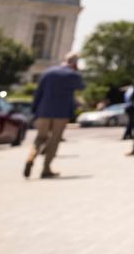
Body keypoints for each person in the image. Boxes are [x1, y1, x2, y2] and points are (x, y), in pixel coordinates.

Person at [25, 51, 85, 179]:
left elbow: (38, 92)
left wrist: (35, 110)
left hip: (44, 111)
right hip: (61, 113)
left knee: (40, 138)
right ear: (75, 63)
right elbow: (82, 86)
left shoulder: (48, 72)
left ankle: (31, 158)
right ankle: (46, 169)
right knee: (54, 140)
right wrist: (76, 71)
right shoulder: (73, 74)